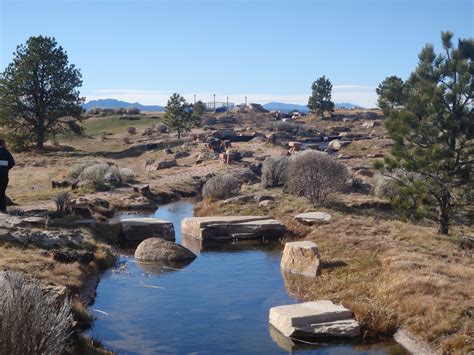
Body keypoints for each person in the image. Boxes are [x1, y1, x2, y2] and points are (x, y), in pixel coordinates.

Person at [0, 139, 15, 213]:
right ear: (2, 144)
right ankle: (3, 209)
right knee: (2, 192)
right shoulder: (6, 152)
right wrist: (5, 169)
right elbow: (12, 163)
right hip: (4, 176)